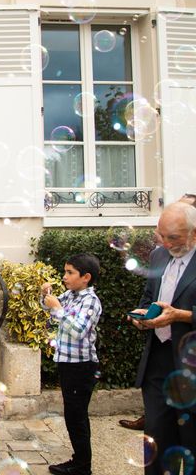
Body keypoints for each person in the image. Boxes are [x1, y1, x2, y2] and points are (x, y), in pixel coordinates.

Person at [128, 202, 196, 474]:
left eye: (174, 238)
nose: (166, 243)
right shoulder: (158, 256)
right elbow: (148, 297)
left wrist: (180, 315)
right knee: (156, 444)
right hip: (158, 362)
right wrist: (141, 317)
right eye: (161, 235)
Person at [41, 254, 102, 475]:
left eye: (70, 273)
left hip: (82, 366)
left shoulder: (90, 301)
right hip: (68, 364)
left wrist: (57, 308)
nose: (64, 276)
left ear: (86, 277)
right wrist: (45, 296)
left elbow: (78, 331)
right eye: (65, 271)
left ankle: (82, 465)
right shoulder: (71, 295)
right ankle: (80, 460)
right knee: (72, 414)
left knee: (77, 416)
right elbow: (51, 310)